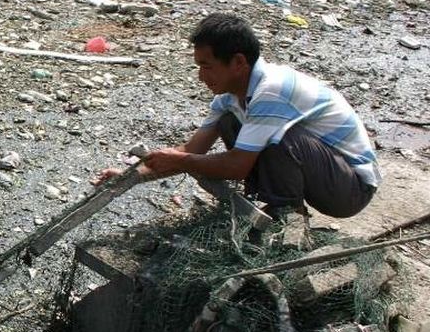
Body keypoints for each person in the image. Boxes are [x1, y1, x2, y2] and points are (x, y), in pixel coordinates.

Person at [95, 13, 380, 218]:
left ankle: (288, 219)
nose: (200, 77)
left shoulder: (272, 90)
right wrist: (130, 177)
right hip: (323, 174)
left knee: (282, 139)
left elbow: (236, 166)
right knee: (231, 123)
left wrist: (183, 160)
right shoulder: (229, 99)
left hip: (351, 188)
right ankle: (272, 205)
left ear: (239, 62)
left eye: (207, 67)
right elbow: (190, 150)